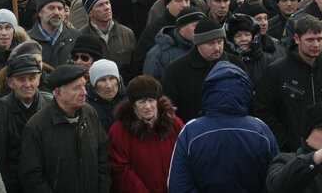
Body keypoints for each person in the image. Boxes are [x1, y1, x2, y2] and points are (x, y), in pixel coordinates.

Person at [169, 61, 279, 192]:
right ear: (246, 91)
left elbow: (178, 184)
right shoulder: (260, 129)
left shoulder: (191, 130)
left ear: (208, 92)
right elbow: (275, 179)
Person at [255, 14, 322, 151]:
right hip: (293, 150)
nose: (316, 45)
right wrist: (285, 141)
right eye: (310, 40)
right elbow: (264, 110)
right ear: (297, 39)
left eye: (319, 39)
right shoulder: (277, 71)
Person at [19, 64, 110, 193]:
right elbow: (32, 177)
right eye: (77, 88)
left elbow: (102, 158)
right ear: (58, 93)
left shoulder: (90, 114)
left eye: (84, 85)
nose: (84, 92)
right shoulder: (37, 126)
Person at [108, 75, 184, 193]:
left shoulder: (174, 124)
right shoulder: (119, 131)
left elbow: (185, 159)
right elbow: (119, 170)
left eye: (151, 100)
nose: (147, 106)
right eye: (141, 102)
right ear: (133, 105)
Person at [161, 18, 246, 122]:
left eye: (220, 42)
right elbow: (169, 108)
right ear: (198, 44)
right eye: (211, 43)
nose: (217, 48)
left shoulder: (236, 64)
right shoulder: (176, 70)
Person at [1, 54, 53, 192]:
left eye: (32, 78)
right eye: (21, 79)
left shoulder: (52, 105)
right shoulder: (0, 109)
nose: (27, 84)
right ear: (10, 82)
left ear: (39, 78)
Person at [85, 59, 126, 132]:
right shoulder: (86, 106)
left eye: (112, 78)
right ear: (95, 84)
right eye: (102, 80)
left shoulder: (128, 101)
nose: (109, 86)